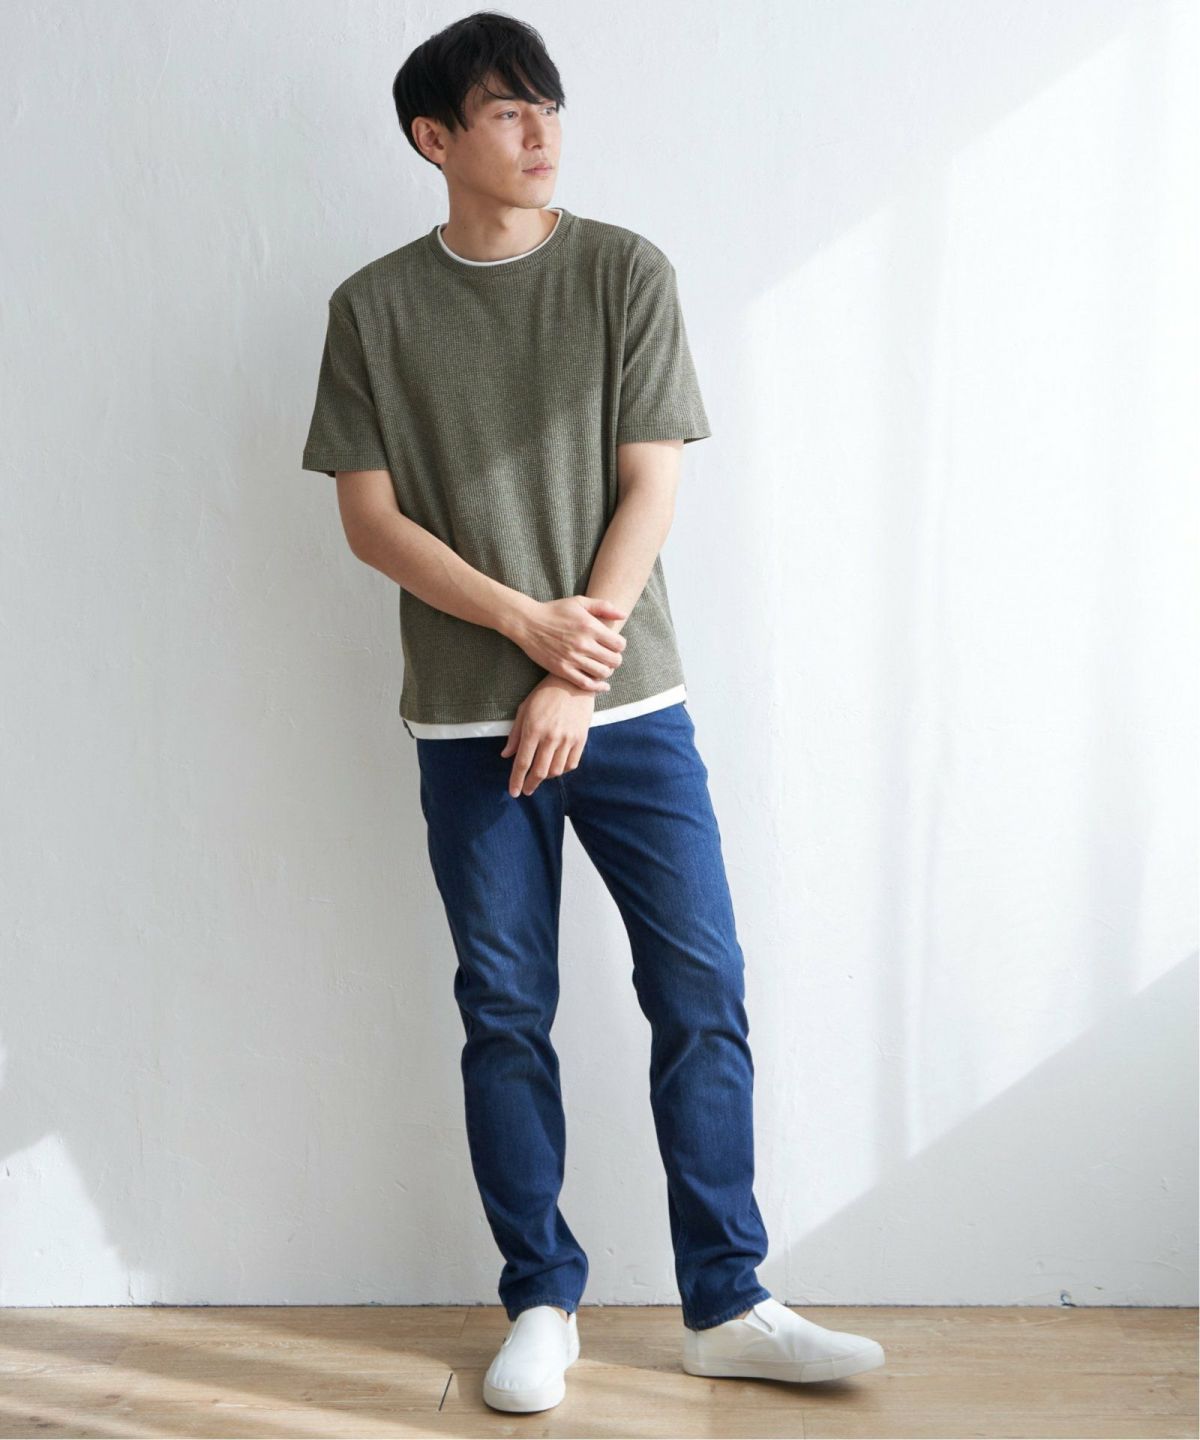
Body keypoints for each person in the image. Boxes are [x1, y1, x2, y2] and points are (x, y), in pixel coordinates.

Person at [301, 9, 886, 1415]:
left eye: (549, 106)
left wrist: (576, 675)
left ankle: (728, 1302)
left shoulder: (626, 270)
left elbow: (652, 483)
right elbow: (371, 523)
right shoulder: (372, 309)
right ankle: (541, 1301)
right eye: (507, 111)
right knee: (506, 1010)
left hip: (632, 710)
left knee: (701, 988)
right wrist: (524, 630)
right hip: (466, 723)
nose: (541, 133)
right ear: (434, 138)